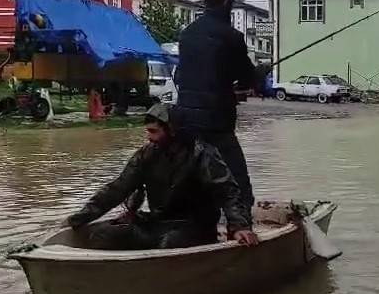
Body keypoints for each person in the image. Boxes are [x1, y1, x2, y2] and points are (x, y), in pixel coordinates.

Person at [66, 102, 258, 249]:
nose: (149, 137)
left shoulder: (202, 154)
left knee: (170, 243)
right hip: (157, 223)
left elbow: (227, 192)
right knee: (103, 234)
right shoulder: (146, 154)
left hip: (194, 228)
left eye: (154, 131)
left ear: (172, 130)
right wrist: (78, 218)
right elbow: (117, 189)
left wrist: (239, 226)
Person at [175, 0, 256, 213]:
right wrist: (255, 78)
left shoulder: (187, 34)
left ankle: (192, 227)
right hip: (217, 123)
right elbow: (246, 79)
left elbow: (190, 75)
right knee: (238, 183)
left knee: (193, 179)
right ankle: (242, 229)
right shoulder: (231, 37)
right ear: (227, 2)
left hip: (184, 121)